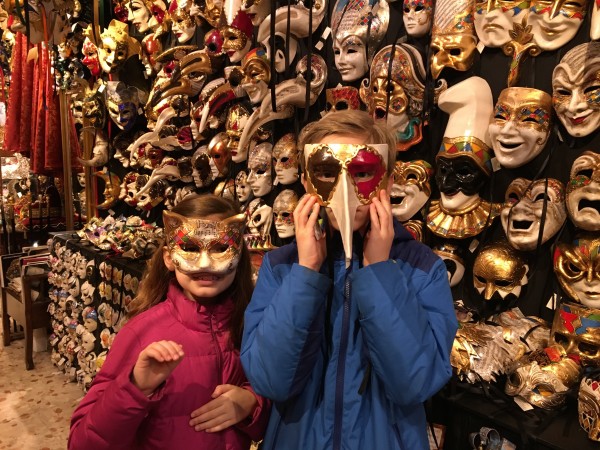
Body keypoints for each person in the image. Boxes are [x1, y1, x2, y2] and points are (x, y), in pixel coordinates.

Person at [240, 110, 458, 449]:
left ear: (386, 181)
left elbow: (415, 383)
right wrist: (306, 271)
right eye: (327, 172)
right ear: (307, 181)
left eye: (363, 172)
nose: (345, 191)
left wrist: (379, 271)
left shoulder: (421, 268)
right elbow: (270, 380)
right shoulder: (281, 267)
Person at [69, 195, 270, 450]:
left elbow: (282, 406)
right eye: (190, 248)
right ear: (167, 257)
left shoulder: (253, 325)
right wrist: (135, 388)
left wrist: (252, 402)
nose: (205, 264)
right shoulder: (141, 332)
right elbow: (83, 443)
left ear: (240, 254)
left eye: (221, 248)